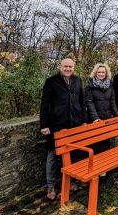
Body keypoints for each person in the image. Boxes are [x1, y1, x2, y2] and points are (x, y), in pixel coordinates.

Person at [39, 58, 86, 201]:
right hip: (56, 126)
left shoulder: (78, 80)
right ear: (61, 66)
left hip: (75, 124)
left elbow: (82, 101)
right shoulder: (51, 81)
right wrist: (44, 125)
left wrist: (83, 120)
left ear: (74, 67)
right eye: (65, 66)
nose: (68, 69)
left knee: (73, 154)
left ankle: (72, 181)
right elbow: (44, 105)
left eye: (70, 67)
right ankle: (51, 186)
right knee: (52, 155)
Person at [85, 63, 118, 154]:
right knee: (95, 144)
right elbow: (89, 103)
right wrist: (95, 118)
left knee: (106, 143)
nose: (101, 74)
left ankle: (106, 163)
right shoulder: (90, 86)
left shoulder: (110, 86)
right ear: (95, 73)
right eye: (99, 72)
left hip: (106, 119)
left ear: (106, 73)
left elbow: (112, 103)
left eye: (103, 72)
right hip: (95, 121)